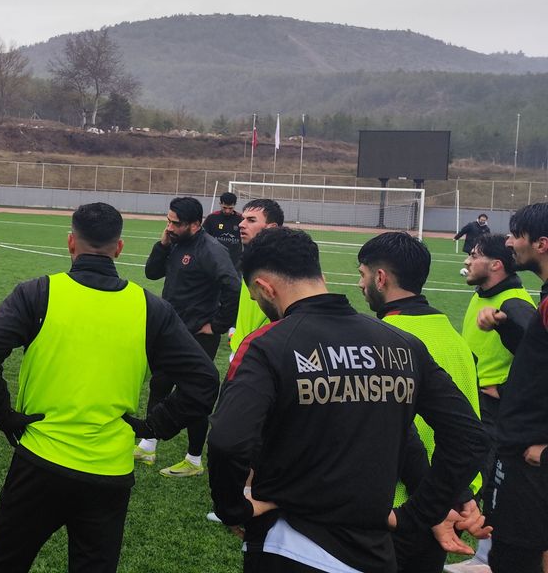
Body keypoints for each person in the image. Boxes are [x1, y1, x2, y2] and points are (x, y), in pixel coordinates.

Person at [208, 227, 487, 573]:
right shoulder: (402, 343)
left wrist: (233, 509)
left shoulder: (269, 344)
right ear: (320, 276)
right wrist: (419, 513)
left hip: (290, 547)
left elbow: (227, 440)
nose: (258, 303)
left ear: (265, 288)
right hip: (375, 554)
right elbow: (469, 436)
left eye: (255, 296)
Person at [0, 202, 220, 573]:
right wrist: (155, 426)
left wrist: (3, 414)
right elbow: (205, 380)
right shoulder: (149, 307)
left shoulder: (38, 293)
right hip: (108, 473)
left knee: (6, 564)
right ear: (119, 248)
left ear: (71, 242)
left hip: (39, 462)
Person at [357, 232, 485, 573]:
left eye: (362, 274)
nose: (360, 284)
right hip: (450, 498)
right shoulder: (453, 337)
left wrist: (430, 507)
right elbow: (471, 426)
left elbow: (397, 433)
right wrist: (457, 497)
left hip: (402, 507)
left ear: (380, 278)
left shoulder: (382, 340)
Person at [446, 232, 538, 573]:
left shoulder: (514, 303)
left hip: (495, 410)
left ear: (496, 265)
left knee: (493, 479)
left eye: (475, 255)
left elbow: (536, 356)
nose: (467, 260)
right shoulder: (484, 295)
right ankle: (484, 554)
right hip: (475, 402)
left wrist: (505, 389)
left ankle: (486, 557)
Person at [139, 195, 240, 477]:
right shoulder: (174, 242)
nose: (169, 227)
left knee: (193, 394)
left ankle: (194, 460)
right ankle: (147, 445)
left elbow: (233, 286)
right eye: (168, 221)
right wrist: (162, 245)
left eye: (176, 223)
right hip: (171, 330)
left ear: (195, 224)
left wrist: (217, 325)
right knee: (159, 384)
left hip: (198, 336)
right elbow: (152, 272)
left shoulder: (211, 249)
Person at [486, 203, 548, 572]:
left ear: (541, 243)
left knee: (513, 557)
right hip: (522, 452)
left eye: (515, 235)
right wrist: (507, 329)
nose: (509, 242)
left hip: (530, 461)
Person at [230, 198, 285, 360]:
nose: (241, 224)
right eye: (243, 219)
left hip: (264, 352)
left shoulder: (284, 264)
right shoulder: (250, 258)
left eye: (251, 220)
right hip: (241, 347)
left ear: (271, 227)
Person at [204, 191, 245, 266]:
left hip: (234, 262)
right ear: (220, 204)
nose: (227, 211)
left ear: (235, 205)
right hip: (214, 260)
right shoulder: (212, 218)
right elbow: (203, 237)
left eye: (230, 208)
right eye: (224, 208)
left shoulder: (241, 219)